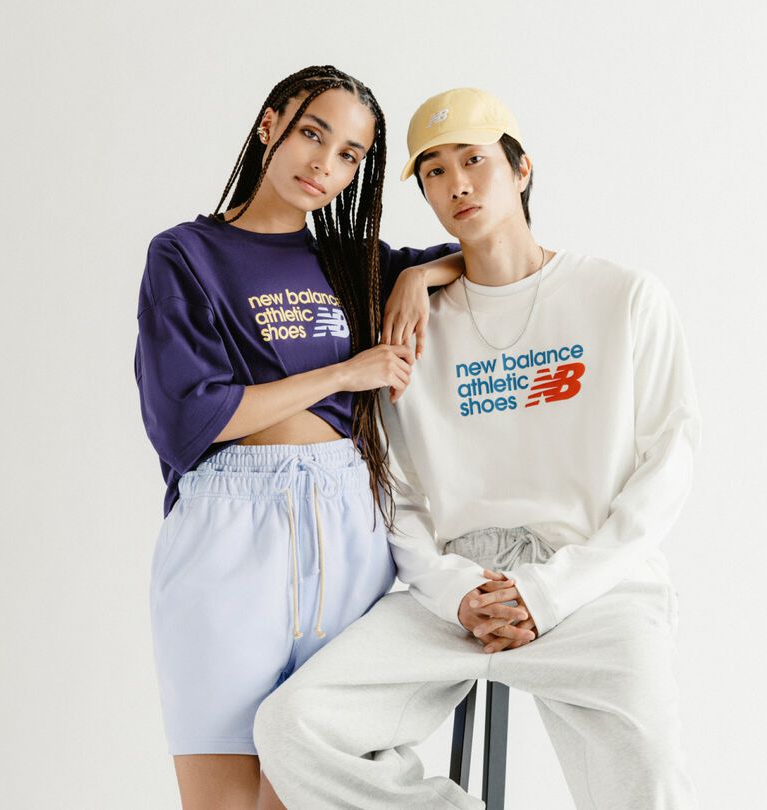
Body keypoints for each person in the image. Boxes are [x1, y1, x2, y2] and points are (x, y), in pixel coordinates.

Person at [254, 87, 701, 809]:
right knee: (294, 725)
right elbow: (393, 491)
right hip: (461, 590)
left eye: (474, 159)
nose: (456, 183)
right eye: (433, 170)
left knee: (649, 776)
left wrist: (550, 591)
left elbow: (668, 466)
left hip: (594, 583)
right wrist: (456, 589)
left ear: (521, 170)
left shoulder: (621, 297)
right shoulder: (412, 328)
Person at [134, 66, 467, 810]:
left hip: (349, 525)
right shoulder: (186, 255)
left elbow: (494, 259)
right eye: (314, 134)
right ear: (270, 125)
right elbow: (192, 417)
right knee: (221, 799)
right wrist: (344, 374)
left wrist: (419, 276)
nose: (325, 164)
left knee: (310, 792)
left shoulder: (357, 265)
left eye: (350, 154)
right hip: (228, 538)